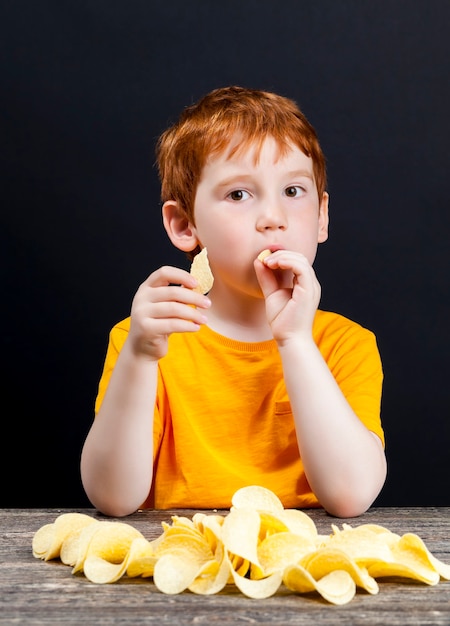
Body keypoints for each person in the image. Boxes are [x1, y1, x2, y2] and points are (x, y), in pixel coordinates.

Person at [80, 86, 387, 518]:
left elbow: (351, 496)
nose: (273, 218)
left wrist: (296, 342)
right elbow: (112, 497)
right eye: (239, 195)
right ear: (185, 225)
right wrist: (140, 358)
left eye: (293, 191)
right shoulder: (145, 341)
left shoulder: (345, 345)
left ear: (321, 216)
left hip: (303, 570)